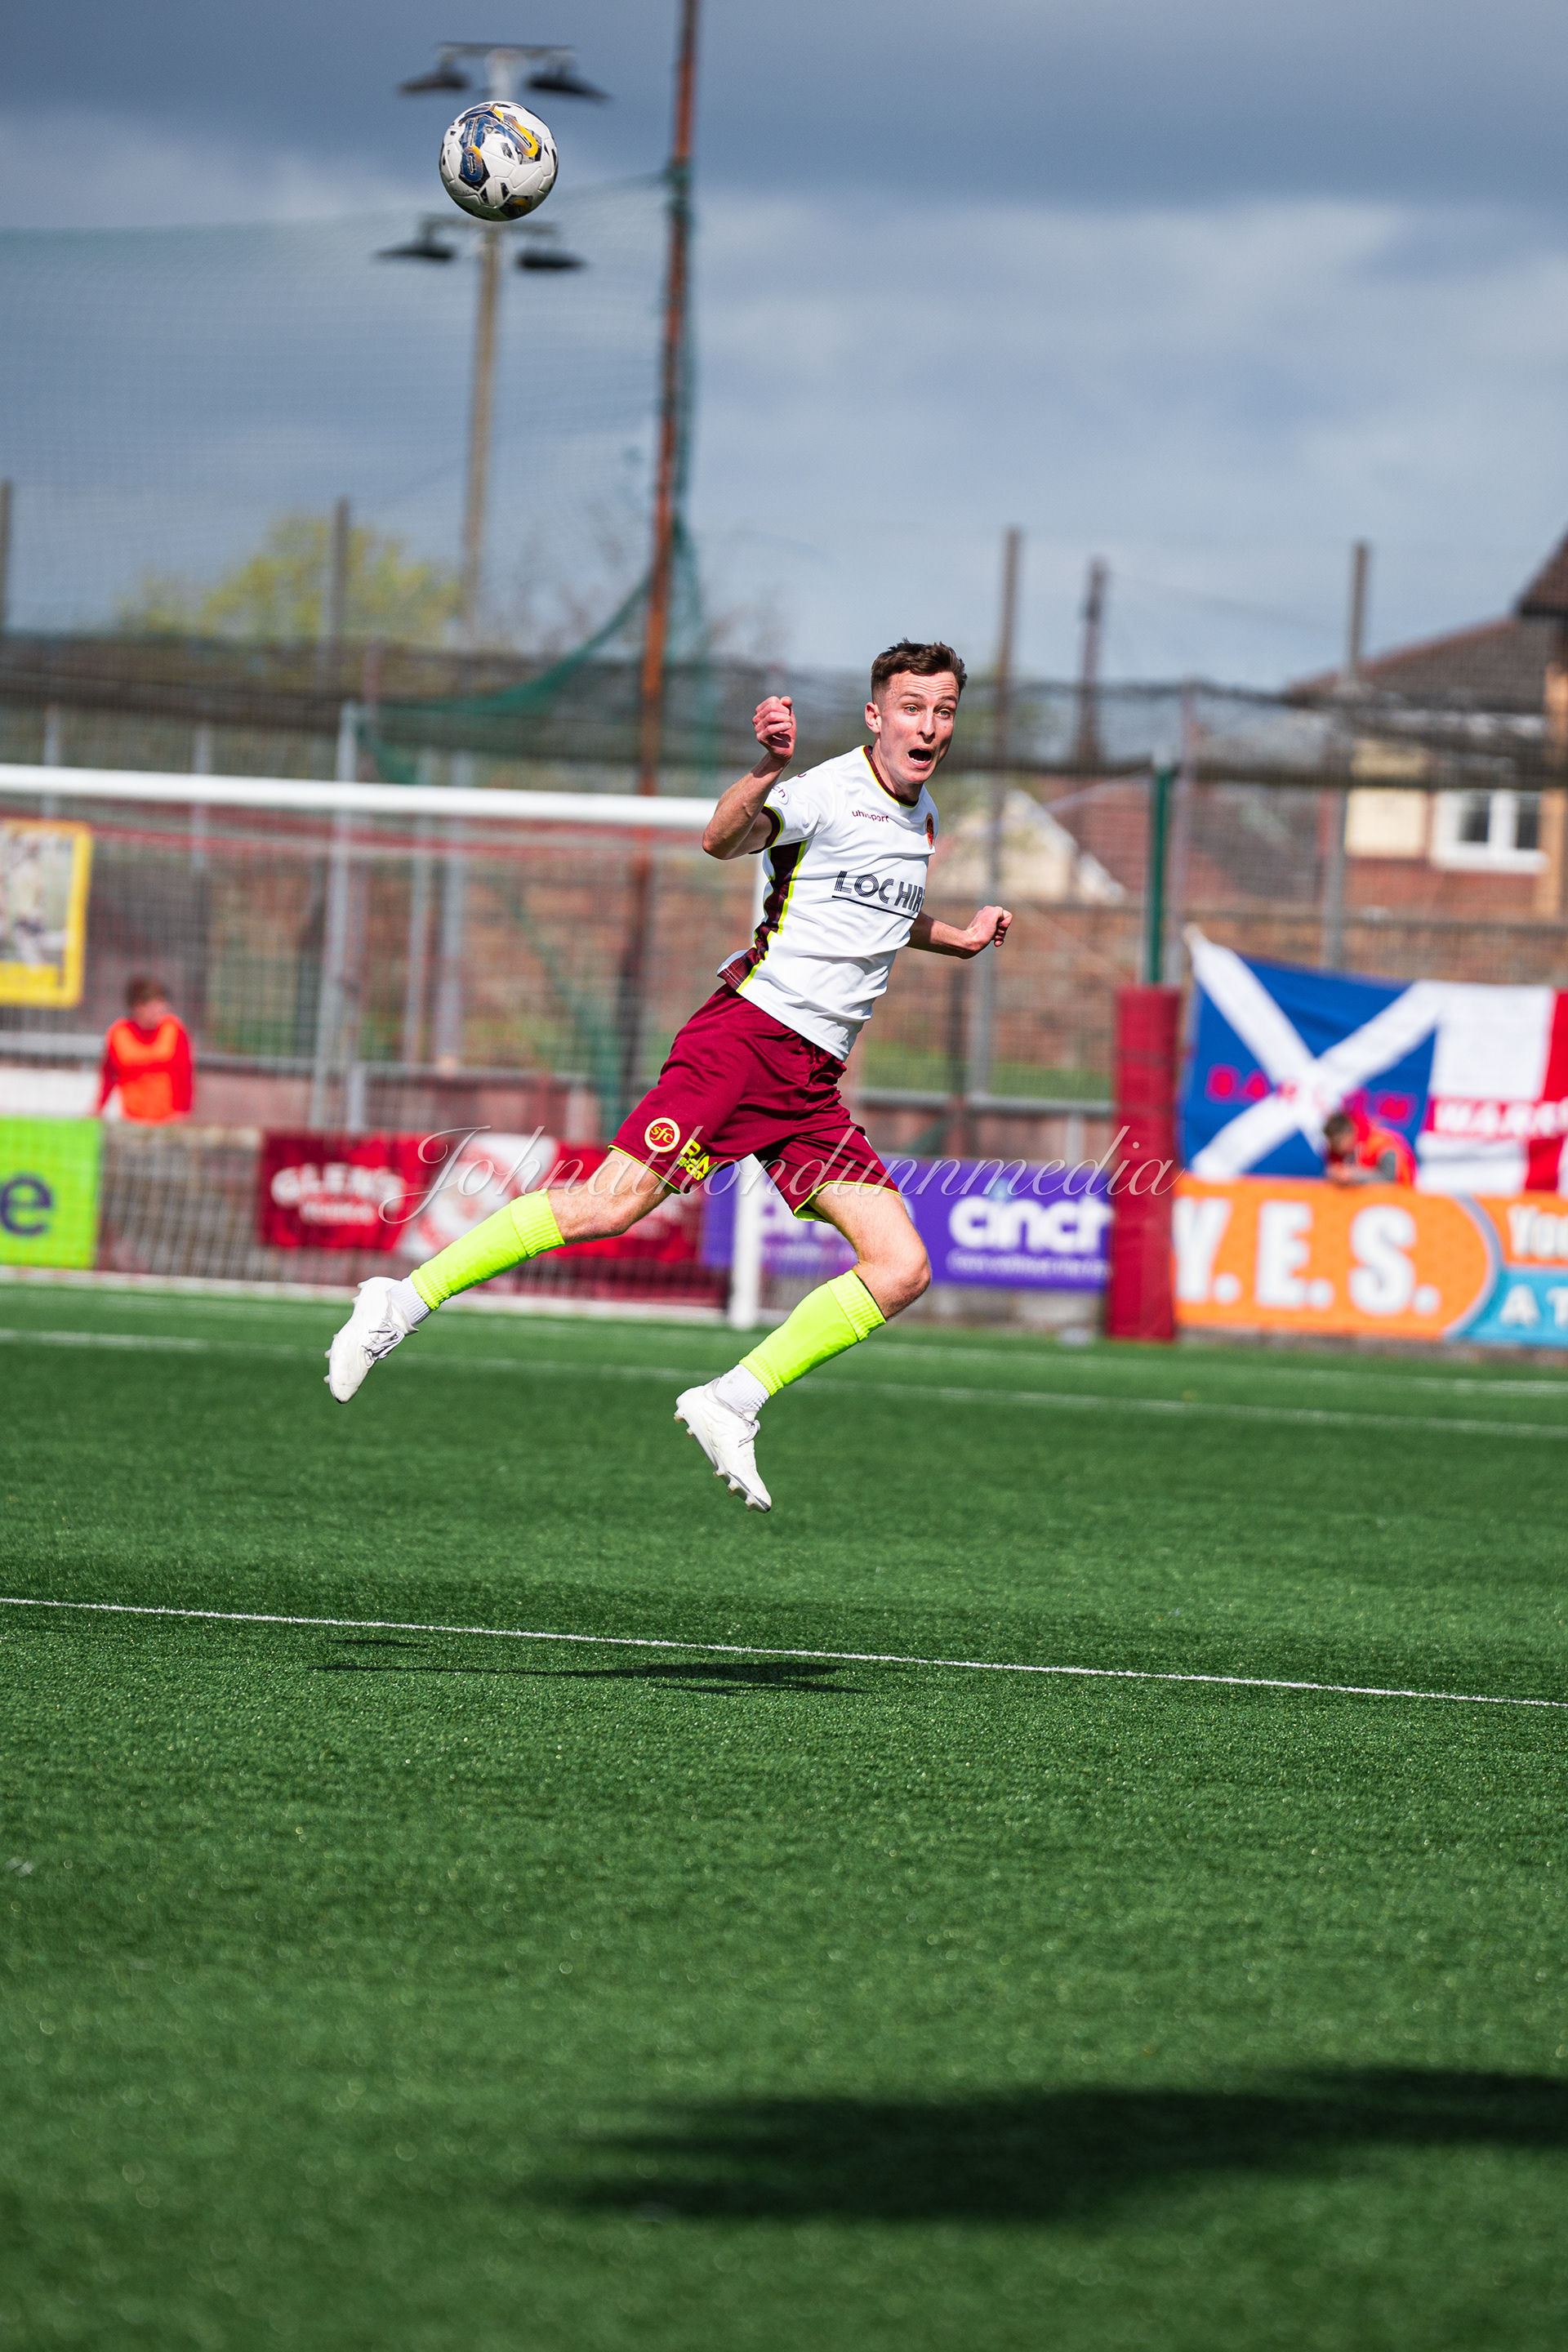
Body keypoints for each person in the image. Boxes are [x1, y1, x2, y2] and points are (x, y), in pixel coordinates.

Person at [326, 639, 1013, 1511]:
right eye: (912, 707)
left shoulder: (924, 817)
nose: (930, 726)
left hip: (807, 1083)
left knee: (902, 1265)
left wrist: (957, 938)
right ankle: (400, 1300)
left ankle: (731, 1401)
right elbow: (722, 839)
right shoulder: (823, 791)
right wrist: (767, 768)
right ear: (876, 715)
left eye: (944, 710)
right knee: (608, 1206)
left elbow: (883, 910)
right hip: (744, 1041)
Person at [98, 977, 194, 1124]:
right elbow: (109, 1076)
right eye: (154, 1006)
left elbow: (184, 1075)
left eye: (162, 1006)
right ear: (138, 1006)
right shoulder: (119, 1034)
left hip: (168, 1119)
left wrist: (183, 1112)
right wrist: (99, 1108)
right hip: (132, 1119)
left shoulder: (174, 1030)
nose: (160, 1011)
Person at [1322, 1107, 1415, 1187]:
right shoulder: (1342, 1153)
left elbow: (1389, 1179)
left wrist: (1353, 1176)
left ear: (1350, 1133)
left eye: (1337, 1143)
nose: (1335, 1148)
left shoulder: (1381, 1143)